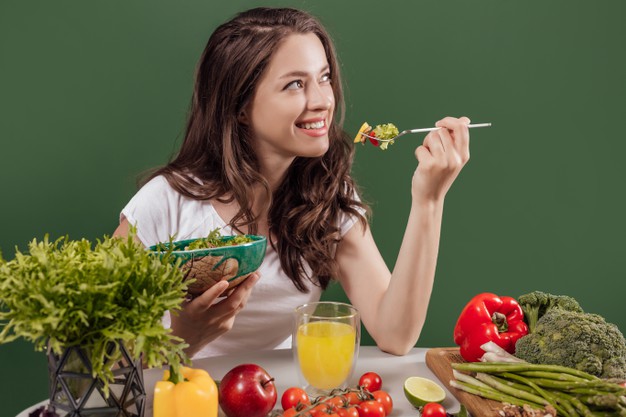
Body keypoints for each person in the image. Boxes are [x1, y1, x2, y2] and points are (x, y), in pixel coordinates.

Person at [113, 7, 471, 359]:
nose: (321, 101)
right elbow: (98, 359)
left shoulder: (327, 196)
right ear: (239, 105)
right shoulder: (166, 201)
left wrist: (429, 199)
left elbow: (396, 333)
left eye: (325, 77)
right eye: (295, 84)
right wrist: (184, 338)